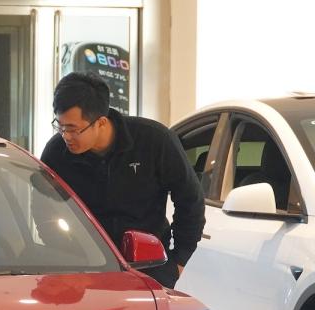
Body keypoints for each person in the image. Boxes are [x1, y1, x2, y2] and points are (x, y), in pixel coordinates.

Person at [40, 72, 204, 288]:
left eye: (73, 129)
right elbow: (43, 208)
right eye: (59, 126)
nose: (66, 136)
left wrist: (178, 261)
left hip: (147, 270)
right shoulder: (56, 153)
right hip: (81, 274)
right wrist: (63, 254)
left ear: (100, 122)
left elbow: (190, 200)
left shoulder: (153, 141)